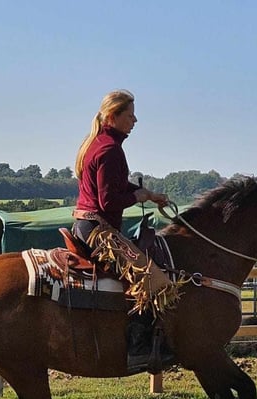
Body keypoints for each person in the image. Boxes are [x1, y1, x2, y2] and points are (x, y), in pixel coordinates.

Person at [72, 89, 176, 373]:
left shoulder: (97, 143)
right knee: (152, 279)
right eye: (130, 115)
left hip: (86, 224)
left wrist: (149, 193)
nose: (135, 120)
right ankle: (138, 348)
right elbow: (109, 200)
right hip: (99, 230)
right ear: (113, 116)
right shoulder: (109, 150)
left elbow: (117, 187)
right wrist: (139, 197)